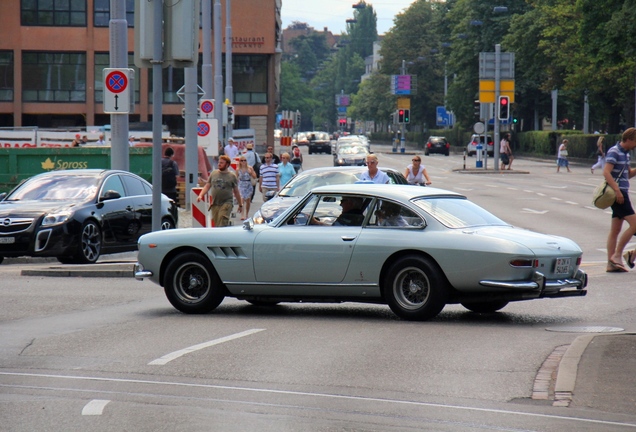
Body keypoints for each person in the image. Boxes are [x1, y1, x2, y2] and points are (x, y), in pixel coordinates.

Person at [604, 128, 636, 272]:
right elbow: (606, 172)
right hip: (618, 194)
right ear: (629, 139)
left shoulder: (625, 154)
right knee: (635, 224)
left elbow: (627, 175)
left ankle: (611, 263)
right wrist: (617, 190)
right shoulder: (614, 151)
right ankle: (617, 255)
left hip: (622, 192)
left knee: (615, 229)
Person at [197, 155, 243, 227]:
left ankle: (221, 237)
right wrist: (200, 195)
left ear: (227, 164)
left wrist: (240, 204)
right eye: (219, 162)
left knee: (222, 221)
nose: (219, 164)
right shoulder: (214, 173)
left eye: (222, 163)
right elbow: (207, 186)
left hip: (227, 203)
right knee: (216, 224)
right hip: (215, 204)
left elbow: (236, 191)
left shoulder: (232, 176)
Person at [236, 156, 257, 220]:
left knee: (248, 200)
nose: (243, 162)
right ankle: (242, 215)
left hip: (248, 184)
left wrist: (250, 173)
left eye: (244, 160)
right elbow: (236, 178)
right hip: (241, 184)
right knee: (241, 199)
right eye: (242, 160)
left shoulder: (250, 168)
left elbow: (255, 176)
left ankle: (247, 214)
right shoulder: (238, 169)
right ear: (240, 162)